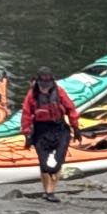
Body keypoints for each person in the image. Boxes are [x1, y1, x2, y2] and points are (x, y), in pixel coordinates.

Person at [21, 69, 82, 202]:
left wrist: (75, 127)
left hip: (59, 128)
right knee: (44, 165)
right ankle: (47, 191)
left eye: (47, 86)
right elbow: (26, 115)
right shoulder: (32, 95)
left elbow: (71, 109)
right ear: (37, 83)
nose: (44, 89)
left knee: (57, 164)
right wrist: (27, 134)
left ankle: (51, 191)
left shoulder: (59, 92)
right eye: (42, 86)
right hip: (40, 130)